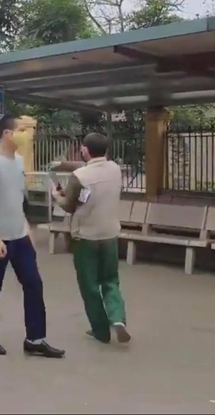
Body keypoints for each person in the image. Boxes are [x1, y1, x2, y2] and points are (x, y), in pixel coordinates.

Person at [0, 116, 65, 358]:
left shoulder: (18, 161)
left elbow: (16, 200)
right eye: (23, 130)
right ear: (7, 134)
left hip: (20, 237)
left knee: (34, 284)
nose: (28, 135)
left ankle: (35, 339)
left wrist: (26, 229)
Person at [50, 132, 130, 345]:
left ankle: (100, 331)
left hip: (85, 237)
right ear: (107, 150)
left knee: (90, 285)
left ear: (85, 150)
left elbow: (69, 206)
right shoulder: (115, 169)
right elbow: (94, 166)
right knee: (111, 280)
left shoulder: (79, 176)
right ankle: (117, 318)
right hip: (110, 233)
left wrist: (56, 195)